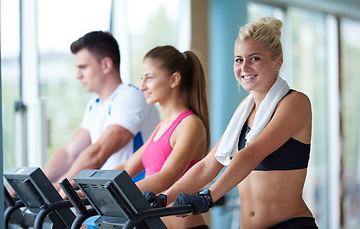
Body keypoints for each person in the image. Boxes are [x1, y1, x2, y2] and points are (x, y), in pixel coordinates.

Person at [148, 17, 318, 229]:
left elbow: (251, 154)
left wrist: (208, 197)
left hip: (290, 224)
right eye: (238, 60)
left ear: (278, 62)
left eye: (254, 58)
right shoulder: (244, 110)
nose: (244, 67)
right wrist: (165, 196)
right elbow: (209, 164)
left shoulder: (295, 102)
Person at [42, 31, 160, 189]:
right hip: (112, 196)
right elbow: (69, 153)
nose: (78, 75)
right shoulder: (95, 105)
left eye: (83, 67)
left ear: (106, 65)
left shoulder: (131, 97)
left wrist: (58, 188)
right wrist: (36, 185)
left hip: (136, 197)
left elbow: (98, 153)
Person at [112, 45, 210, 229]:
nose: (142, 86)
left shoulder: (190, 125)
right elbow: (127, 166)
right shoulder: (161, 126)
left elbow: (165, 178)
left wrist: (112, 193)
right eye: (142, 79)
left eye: (149, 78)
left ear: (174, 79)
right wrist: (85, 187)